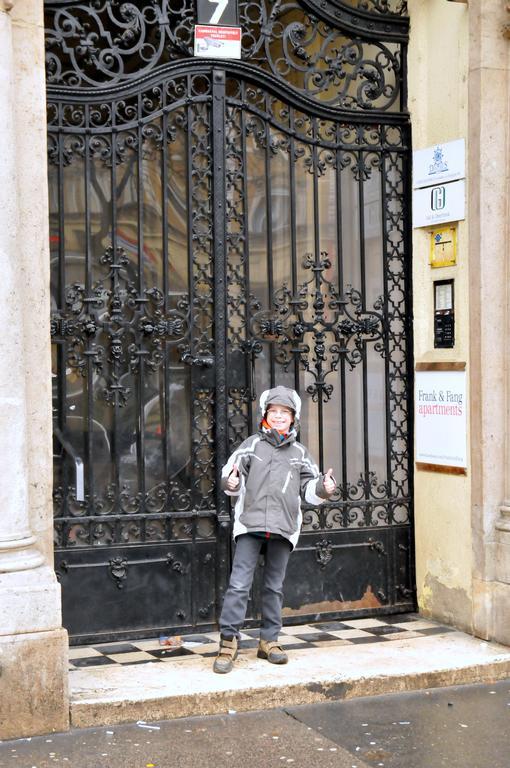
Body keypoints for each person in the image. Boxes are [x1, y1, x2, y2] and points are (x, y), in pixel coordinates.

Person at [213, 385, 336, 674]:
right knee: (239, 584)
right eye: (274, 411)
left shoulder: (300, 453)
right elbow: (231, 475)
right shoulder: (251, 445)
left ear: (294, 418)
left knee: (273, 586)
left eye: (285, 413)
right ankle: (228, 642)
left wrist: (324, 488)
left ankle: (269, 640)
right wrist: (230, 484)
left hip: (284, 526)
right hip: (250, 525)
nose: (279, 417)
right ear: (265, 415)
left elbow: (309, 490)